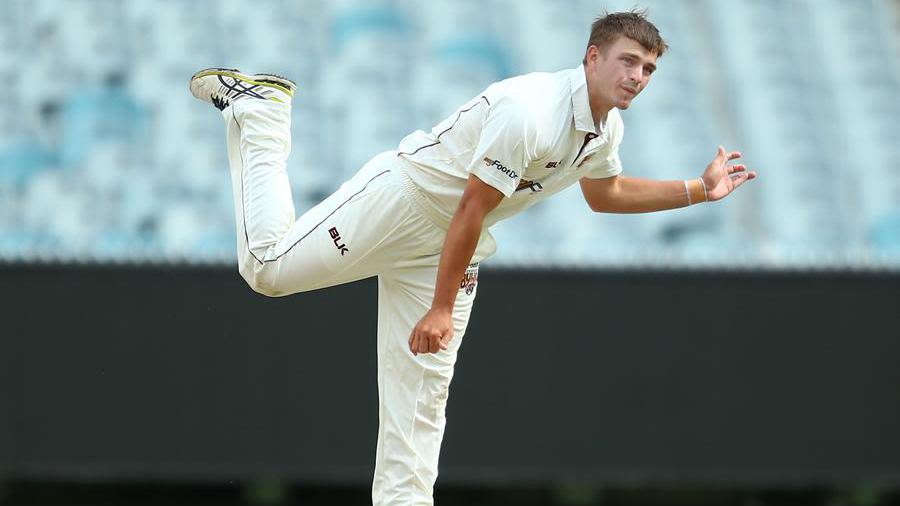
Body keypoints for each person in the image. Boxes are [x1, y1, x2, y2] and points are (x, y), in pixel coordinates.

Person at [189, 10, 755, 505]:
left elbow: (604, 194)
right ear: (592, 57)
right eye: (629, 61)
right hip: (401, 202)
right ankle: (262, 117)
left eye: (649, 69)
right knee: (266, 270)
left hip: (451, 247)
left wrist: (697, 190)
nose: (638, 77)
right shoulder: (530, 112)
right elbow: (469, 209)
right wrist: (439, 307)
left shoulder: (606, 129)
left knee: (421, 405)